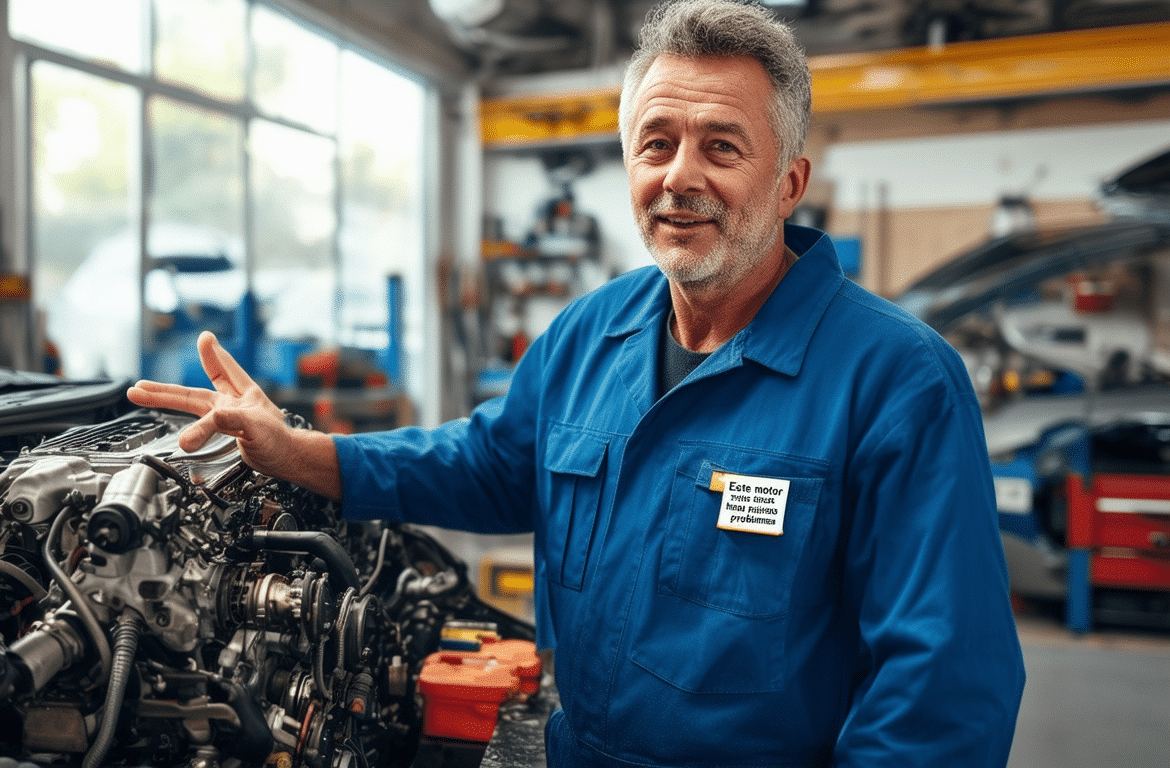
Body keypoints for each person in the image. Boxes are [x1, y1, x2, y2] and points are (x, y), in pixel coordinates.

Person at [127, 1, 1026, 764]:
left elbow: (943, 695)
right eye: (656, 144)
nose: (680, 175)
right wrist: (299, 452)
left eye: (721, 146)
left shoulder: (897, 381)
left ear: (789, 182)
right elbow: (486, 466)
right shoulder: (592, 333)